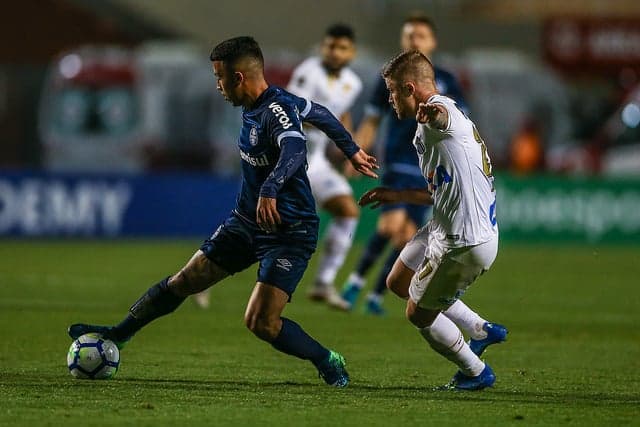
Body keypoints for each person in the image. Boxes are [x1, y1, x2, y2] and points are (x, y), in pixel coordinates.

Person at [67, 36, 378, 387]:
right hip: (246, 223)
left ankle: (327, 359)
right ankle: (118, 335)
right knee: (184, 281)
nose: (217, 86)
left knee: (262, 323)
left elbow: (294, 148)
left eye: (220, 77)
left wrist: (271, 189)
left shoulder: (276, 112)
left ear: (240, 78)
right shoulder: (271, 104)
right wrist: (351, 149)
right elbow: (320, 113)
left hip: (289, 232)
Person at [358, 50, 506, 390]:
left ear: (410, 88)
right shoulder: (425, 129)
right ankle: (481, 329)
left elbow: (443, 119)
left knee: (418, 313)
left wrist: (434, 115)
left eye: (393, 92)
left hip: (465, 243)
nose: (390, 100)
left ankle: (475, 370)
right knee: (397, 282)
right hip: (444, 225)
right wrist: (396, 195)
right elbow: (439, 190)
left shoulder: (442, 114)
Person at [341, 13, 468, 315]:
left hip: (430, 169)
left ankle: (374, 295)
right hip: (398, 160)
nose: (414, 41)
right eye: (409, 35)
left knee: (406, 234)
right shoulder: (390, 78)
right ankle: (355, 282)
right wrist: (356, 152)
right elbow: (372, 120)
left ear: (433, 42)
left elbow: (461, 123)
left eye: (421, 36)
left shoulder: (447, 80)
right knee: (390, 226)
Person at [285, 24, 362, 308]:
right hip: (288, 159)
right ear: (322, 47)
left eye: (341, 48)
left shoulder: (352, 83)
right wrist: (328, 125)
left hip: (315, 163)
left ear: (351, 52)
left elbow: (342, 114)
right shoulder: (309, 72)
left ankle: (323, 283)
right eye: (330, 46)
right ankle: (203, 276)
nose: (334, 52)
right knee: (269, 232)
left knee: (347, 211)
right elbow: (288, 110)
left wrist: (350, 151)